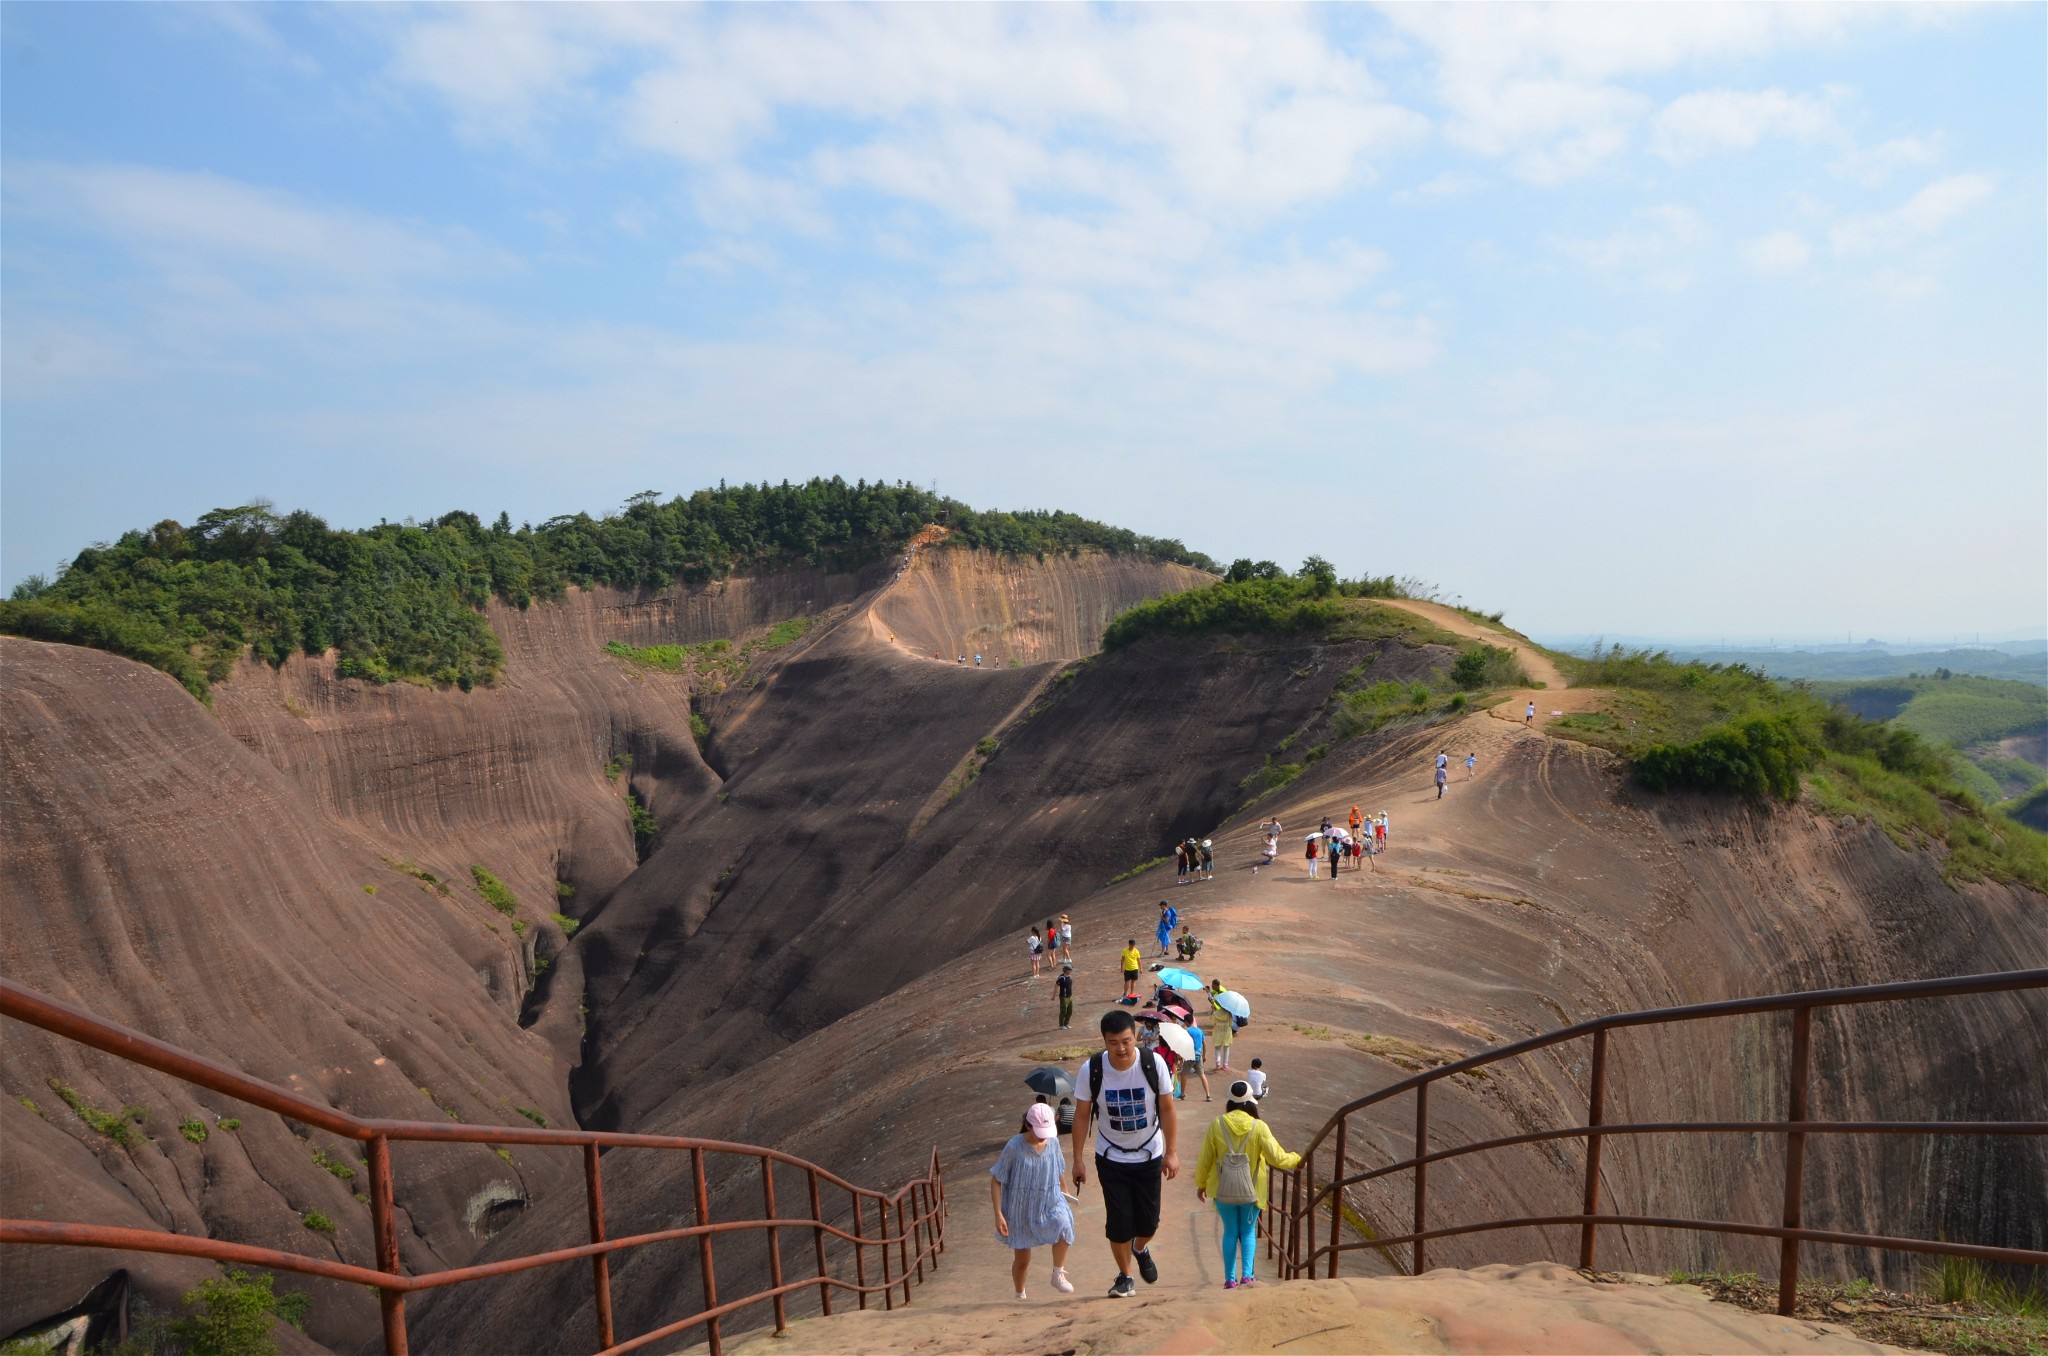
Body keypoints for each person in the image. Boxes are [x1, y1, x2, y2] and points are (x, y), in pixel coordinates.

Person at [1072, 1010, 1178, 1298]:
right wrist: (1078, 1159)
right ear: (1104, 1041)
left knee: (1148, 1222)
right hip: (1111, 1156)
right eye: (1113, 1042)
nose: (1121, 1048)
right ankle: (1126, 1275)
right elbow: (1081, 1116)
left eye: (1127, 1041)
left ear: (1136, 1037)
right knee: (1118, 1223)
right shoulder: (1091, 1070)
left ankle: (1140, 1248)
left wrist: (1171, 1152)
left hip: (1149, 1154)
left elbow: (1167, 1108)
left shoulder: (1152, 1063)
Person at [1194, 1082, 1301, 1289]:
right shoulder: (1258, 1126)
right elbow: (1277, 1158)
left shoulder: (1217, 1124)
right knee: (1248, 1232)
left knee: (1230, 1232)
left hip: (1223, 1190)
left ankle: (1229, 1279)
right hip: (1251, 1190)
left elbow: (1205, 1158)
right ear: (1250, 1103)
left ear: (1229, 1101)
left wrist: (1201, 1184)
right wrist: (1297, 1158)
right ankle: (1247, 1276)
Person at [991, 1102, 1076, 1299]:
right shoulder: (1014, 1147)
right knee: (1022, 1260)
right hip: (1021, 1209)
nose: (1043, 1135)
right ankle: (1019, 1293)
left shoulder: (1053, 1142)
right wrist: (998, 1214)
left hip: (1050, 1201)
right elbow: (997, 1179)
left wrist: (1065, 1191)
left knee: (1064, 1224)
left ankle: (1058, 1273)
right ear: (1028, 1125)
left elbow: (1058, 1168)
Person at [1209, 981, 1235, 1070]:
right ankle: (1225, 1064)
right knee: (1226, 1048)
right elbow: (1231, 1024)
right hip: (1227, 1031)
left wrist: (1213, 1011)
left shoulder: (1216, 1013)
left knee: (1217, 1047)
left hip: (1218, 1031)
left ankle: (1218, 1062)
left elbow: (1212, 1023)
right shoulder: (1229, 1013)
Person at [1056, 963, 1075, 1031]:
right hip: (1063, 997)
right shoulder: (1062, 978)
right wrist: (1053, 996)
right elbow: (1056, 986)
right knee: (1063, 1011)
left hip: (1069, 996)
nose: (1070, 971)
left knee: (1070, 1011)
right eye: (1069, 970)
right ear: (1065, 970)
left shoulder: (1070, 977)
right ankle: (1061, 1025)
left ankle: (1066, 1023)